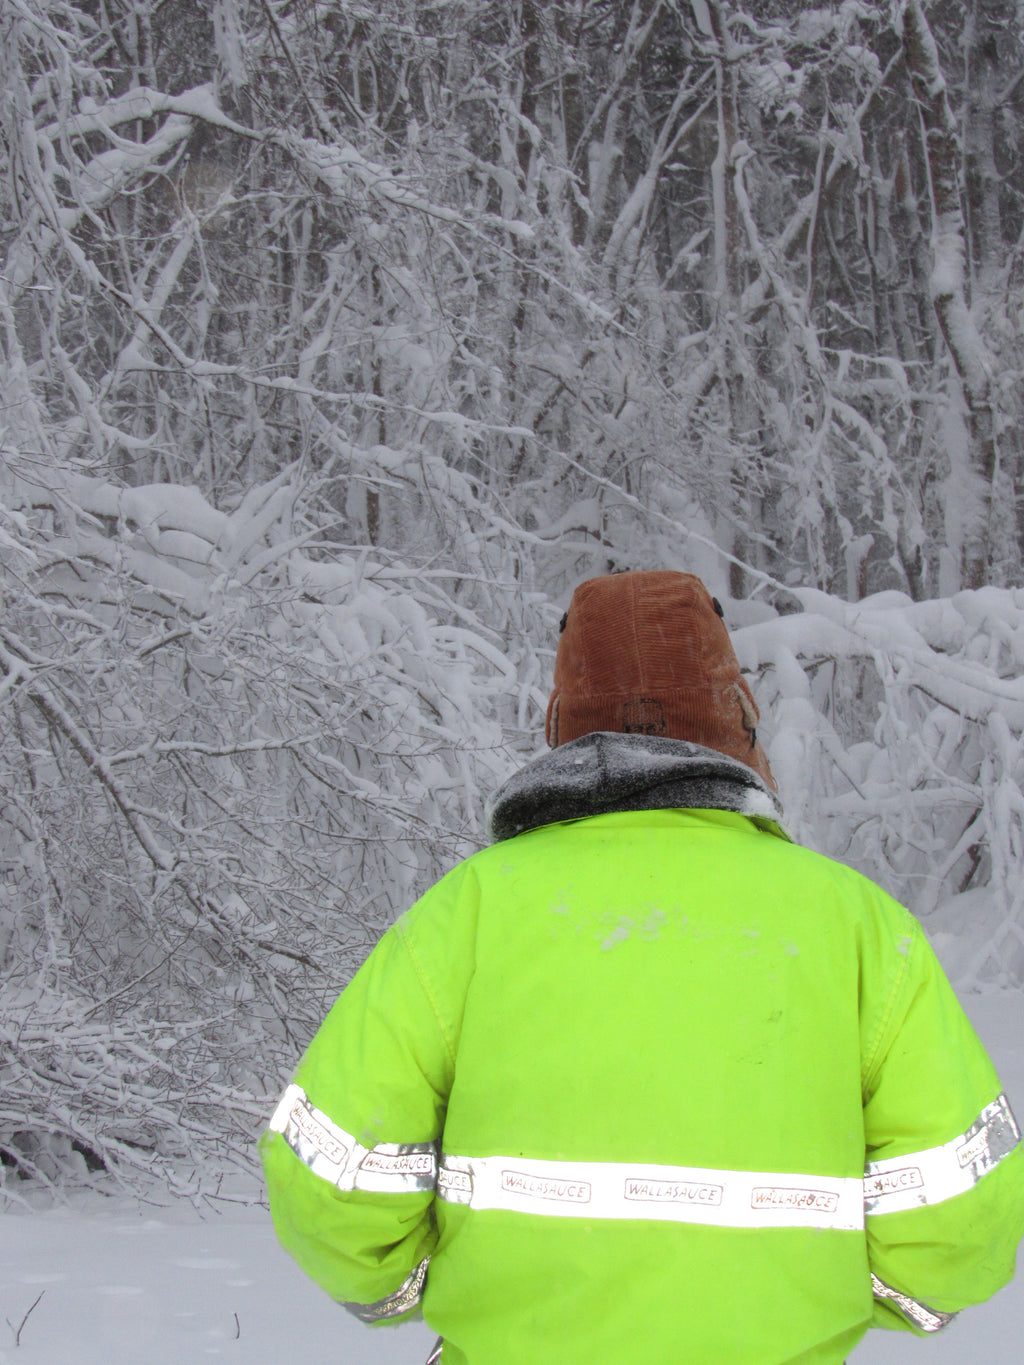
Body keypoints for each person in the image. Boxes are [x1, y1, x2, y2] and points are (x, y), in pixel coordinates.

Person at [260, 569, 1024, 1365]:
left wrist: (436, 1285)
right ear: (736, 718)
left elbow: (326, 1180)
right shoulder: (858, 927)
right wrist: (833, 1301)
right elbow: (966, 1214)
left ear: (561, 725)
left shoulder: (465, 916)